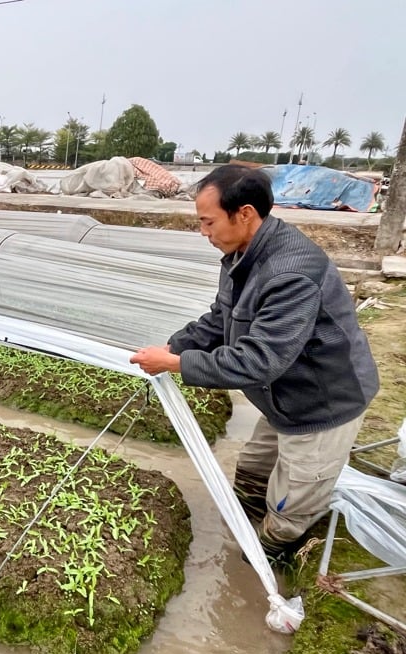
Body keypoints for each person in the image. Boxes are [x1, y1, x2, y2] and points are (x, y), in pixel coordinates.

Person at [129, 164, 379, 561]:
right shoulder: (241, 254)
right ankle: (243, 528)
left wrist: (177, 364)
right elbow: (220, 318)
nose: (203, 232)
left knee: (287, 510)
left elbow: (260, 360)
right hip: (282, 395)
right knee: (252, 472)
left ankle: (269, 558)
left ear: (244, 213)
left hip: (320, 402)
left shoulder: (290, 273)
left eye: (208, 222)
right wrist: (173, 346)